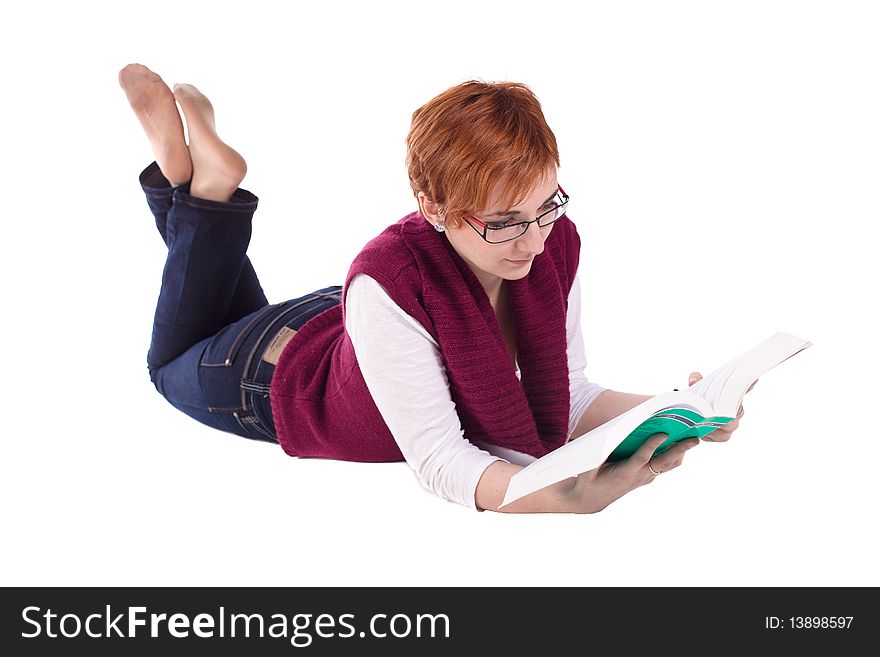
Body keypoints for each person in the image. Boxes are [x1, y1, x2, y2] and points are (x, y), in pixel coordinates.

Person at [119, 63, 748, 514]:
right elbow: (442, 461)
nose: (532, 241)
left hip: (349, 322)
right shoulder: (390, 278)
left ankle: (196, 184)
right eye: (502, 223)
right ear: (433, 207)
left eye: (546, 206)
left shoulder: (551, 242)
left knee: (210, 306)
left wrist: (677, 410)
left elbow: (570, 392)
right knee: (171, 363)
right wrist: (565, 498)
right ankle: (199, 189)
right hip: (271, 376)